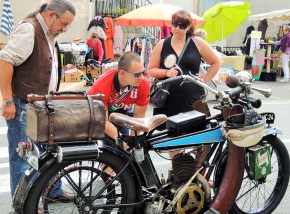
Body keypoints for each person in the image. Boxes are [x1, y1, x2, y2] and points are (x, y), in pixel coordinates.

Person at [0, 0, 76, 205]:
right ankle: (23, 201)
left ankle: (53, 190)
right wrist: (7, 100)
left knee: (49, 151)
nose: (65, 29)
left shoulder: (48, 32)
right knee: (24, 154)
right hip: (24, 103)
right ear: (51, 15)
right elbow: (5, 62)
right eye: (64, 23)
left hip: (41, 104)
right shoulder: (29, 30)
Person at [147, 9, 221, 160]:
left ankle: (200, 175)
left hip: (193, 99)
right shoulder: (162, 44)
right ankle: (179, 173)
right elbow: (150, 70)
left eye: (182, 25)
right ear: (171, 24)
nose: (178, 28)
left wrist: (205, 79)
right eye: (175, 24)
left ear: (189, 26)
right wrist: (166, 73)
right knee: (173, 141)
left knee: (199, 139)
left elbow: (216, 62)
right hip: (170, 99)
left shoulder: (197, 43)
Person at [87, 51, 150, 141]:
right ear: (122, 73)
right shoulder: (101, 87)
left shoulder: (143, 84)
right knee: (109, 150)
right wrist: (122, 141)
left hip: (121, 114)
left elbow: (138, 117)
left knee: (128, 150)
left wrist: (132, 141)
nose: (141, 77)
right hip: (99, 118)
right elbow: (103, 121)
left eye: (143, 72)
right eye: (137, 74)